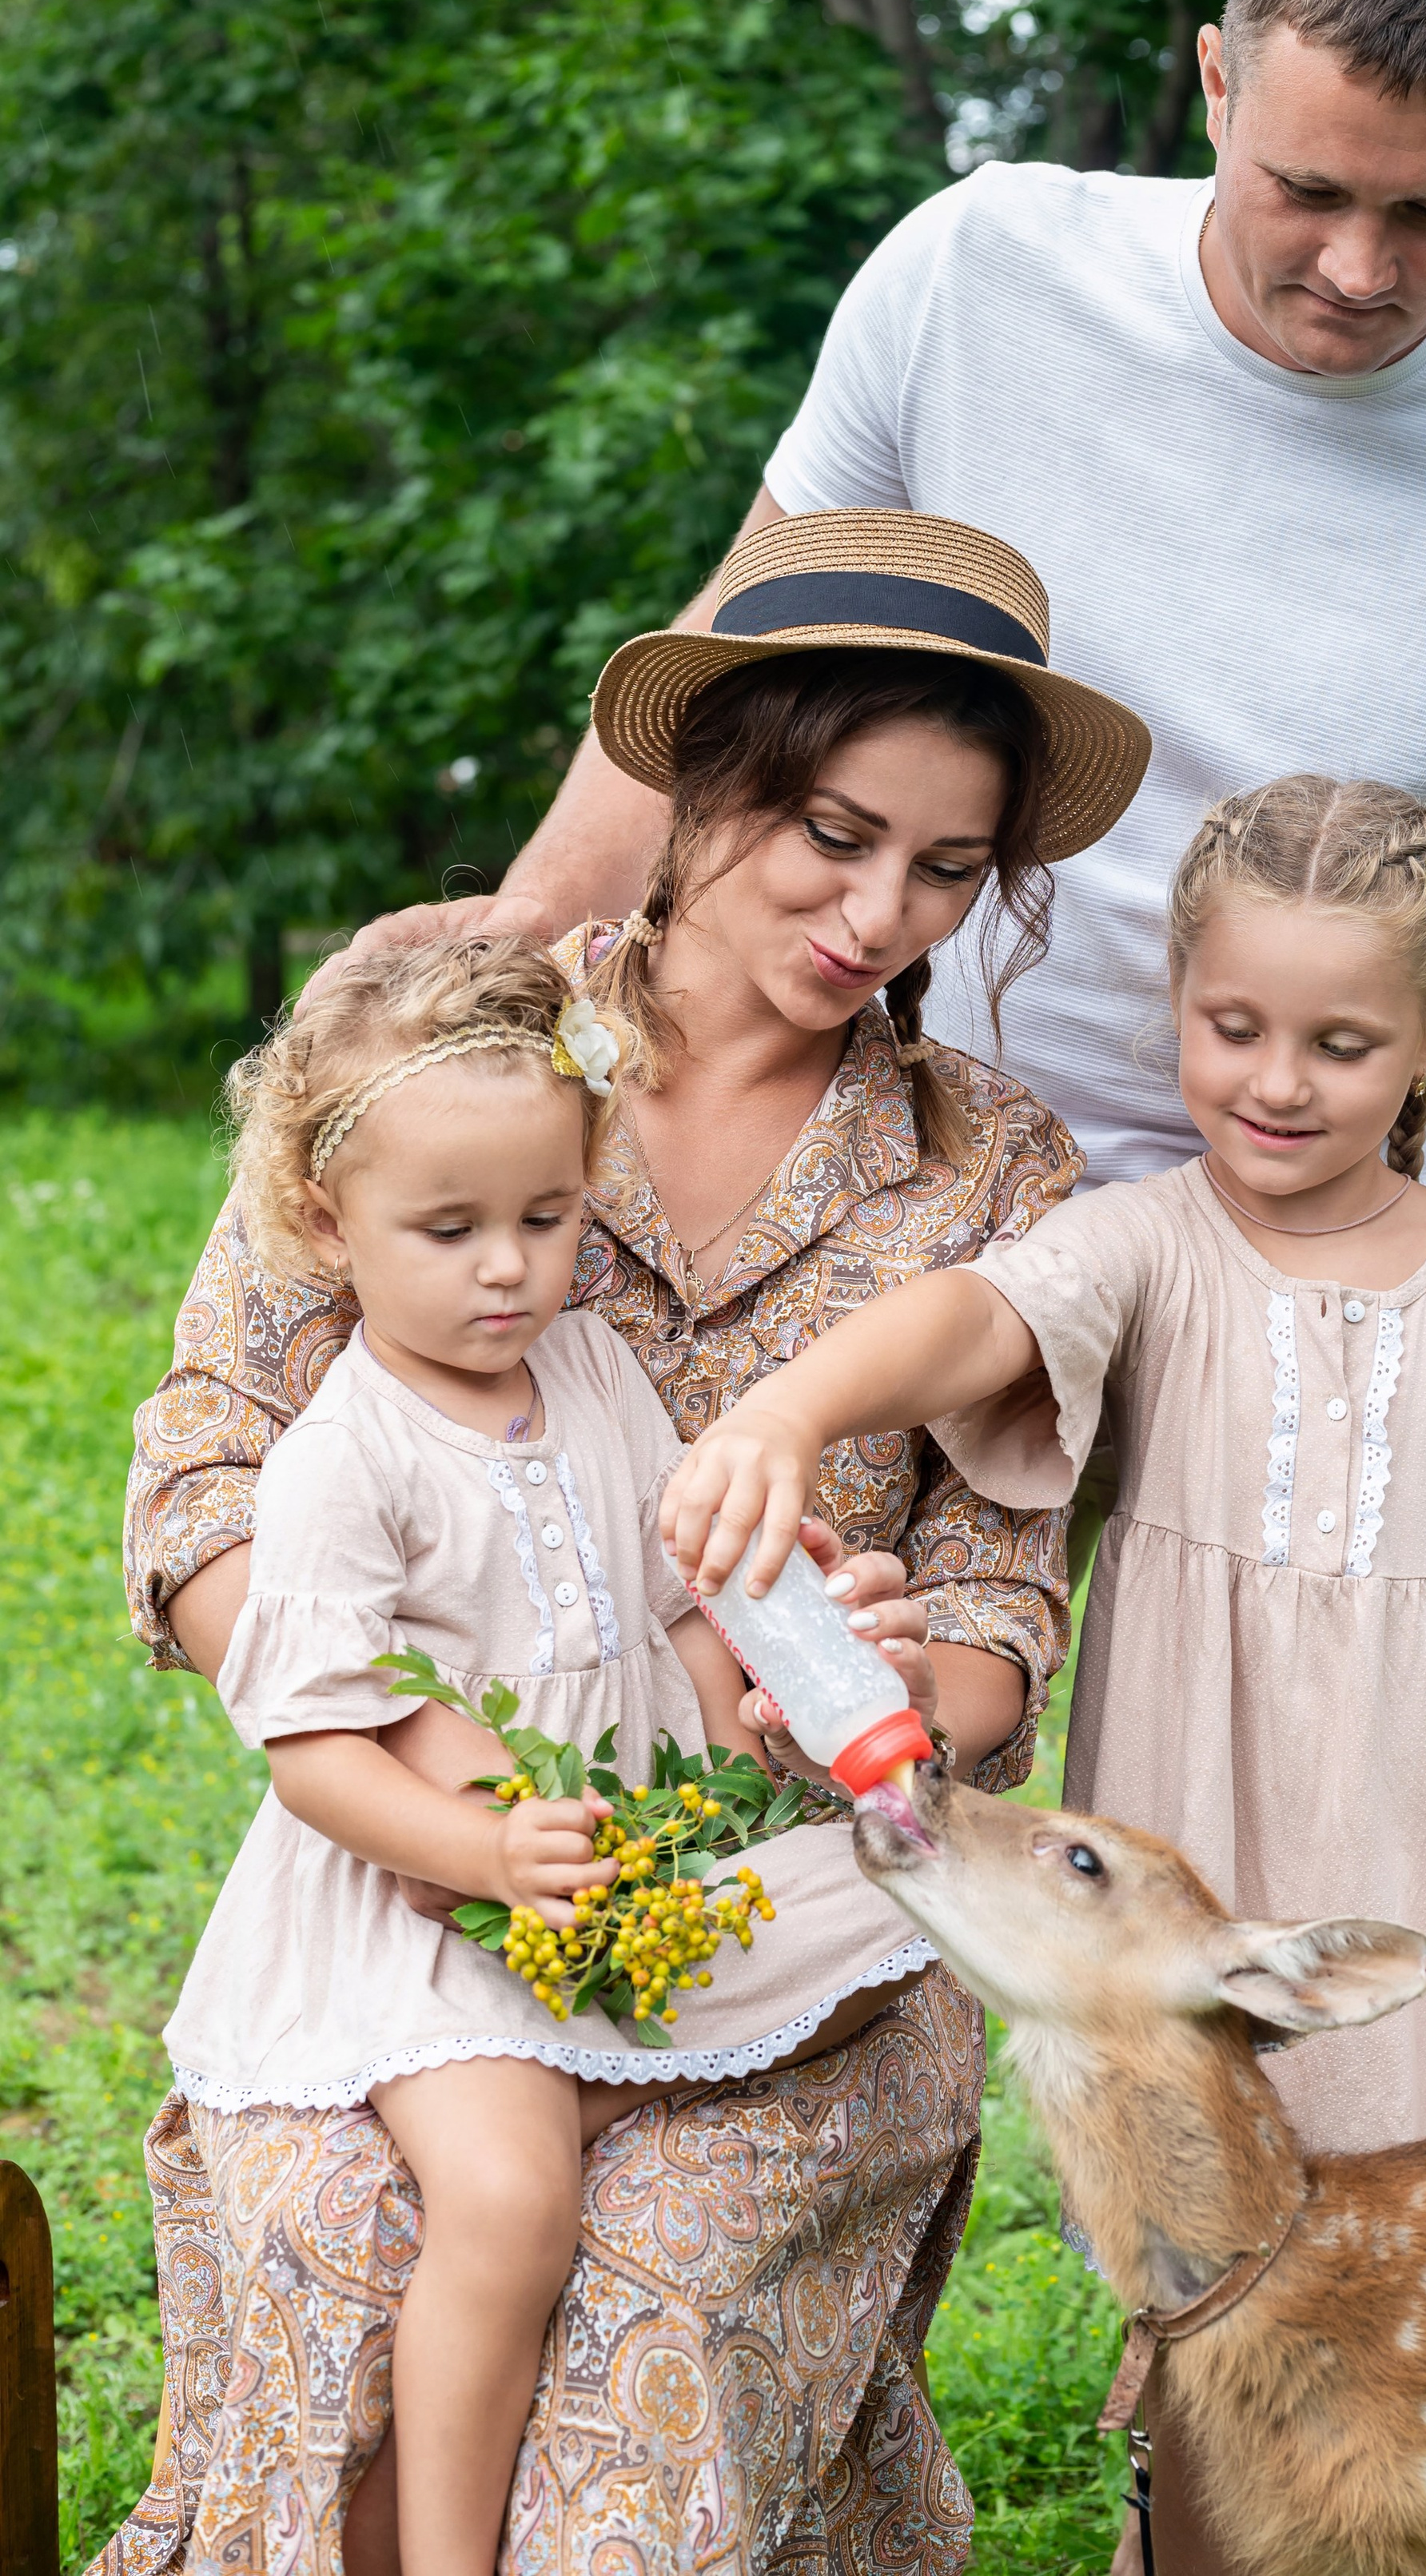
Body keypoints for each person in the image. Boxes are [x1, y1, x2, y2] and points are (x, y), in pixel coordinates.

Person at [103, 511, 1151, 2576]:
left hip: (787, 1929)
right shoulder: (435, 1035)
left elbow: (1003, 1615)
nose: (879, 913)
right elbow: (204, 1469)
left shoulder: (993, 1167)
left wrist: (869, 1674)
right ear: (711, 785)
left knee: (659, 2282)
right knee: (353, 2228)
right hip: (397, 1896)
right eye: (833, 834)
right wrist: (443, 1797)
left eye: (948, 869)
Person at [347, 0, 1426, 1389]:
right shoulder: (978, 275)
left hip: (1331, 1279)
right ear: (1216, 83)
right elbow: (747, 644)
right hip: (906, 1210)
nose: (1360, 268)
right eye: (1310, 189)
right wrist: (533, 931)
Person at [662, 773, 1426, 2570]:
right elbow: (977, 1322)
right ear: (1173, 1004)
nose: (1275, 1079)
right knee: (1207, 2242)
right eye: (1231, 1025)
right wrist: (789, 1406)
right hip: (1195, 1832)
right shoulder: (1148, 1244)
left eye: (1338, 1041)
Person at [165, 936, 940, 2576]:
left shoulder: (588, 1372)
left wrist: (787, 1653)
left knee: (893, 1908)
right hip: (427, 1911)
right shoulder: (341, 1458)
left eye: (545, 1218)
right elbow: (314, 1755)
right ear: (327, 1222)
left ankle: (601, 2044)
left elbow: (680, 1611)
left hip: (619, 1856)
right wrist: (482, 1856)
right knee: (508, 2203)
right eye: (447, 1232)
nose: (507, 1270)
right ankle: (442, 2555)